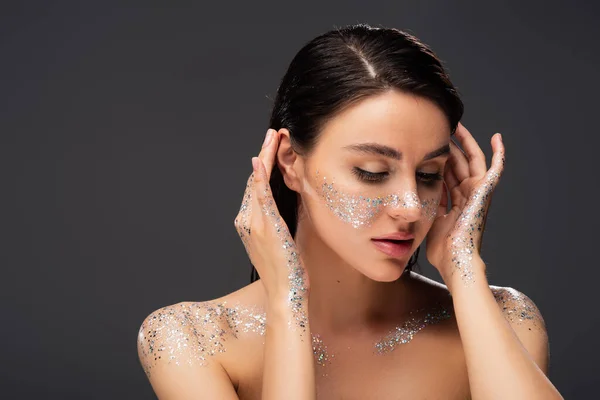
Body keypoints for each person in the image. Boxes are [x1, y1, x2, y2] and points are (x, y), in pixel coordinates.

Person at [136, 24, 563, 399]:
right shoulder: (192, 340)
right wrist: (288, 305)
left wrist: (465, 270)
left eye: (429, 174)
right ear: (289, 161)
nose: (410, 208)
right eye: (372, 172)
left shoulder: (504, 320)